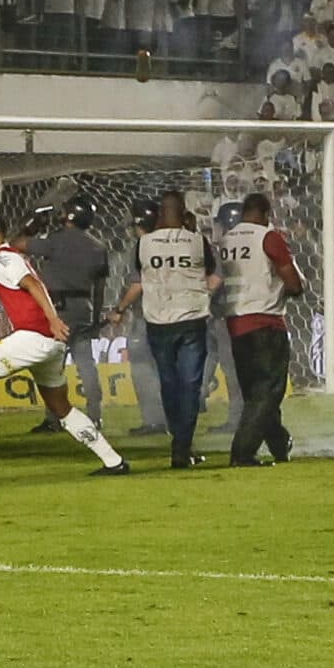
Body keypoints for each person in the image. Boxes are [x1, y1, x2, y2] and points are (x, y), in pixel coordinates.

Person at [0, 218, 130, 478]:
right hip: (50, 344)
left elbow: (33, 284)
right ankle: (113, 461)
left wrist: (53, 319)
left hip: (32, 337)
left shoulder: (5, 259)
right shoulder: (5, 261)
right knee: (62, 408)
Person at [110, 191, 216, 468]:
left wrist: (119, 308)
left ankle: (179, 442)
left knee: (169, 384)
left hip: (158, 322)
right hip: (192, 320)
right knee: (189, 385)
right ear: (184, 213)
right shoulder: (198, 241)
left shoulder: (143, 244)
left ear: (159, 215)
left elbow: (141, 277)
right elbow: (210, 272)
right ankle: (182, 446)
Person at [221, 192, 307, 466]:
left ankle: (279, 443)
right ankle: (242, 453)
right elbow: (294, 284)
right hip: (265, 322)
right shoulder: (268, 237)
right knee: (268, 390)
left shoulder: (226, 240)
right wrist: (291, 288)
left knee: (255, 392)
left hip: (235, 324)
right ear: (266, 213)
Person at [25, 197, 112, 433]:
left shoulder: (55, 240)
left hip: (58, 310)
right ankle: (95, 416)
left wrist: (34, 225)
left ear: (70, 216)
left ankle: (53, 418)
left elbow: (18, 244)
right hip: (84, 308)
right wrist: (95, 320)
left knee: (53, 368)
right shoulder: (98, 246)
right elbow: (99, 289)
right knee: (86, 365)